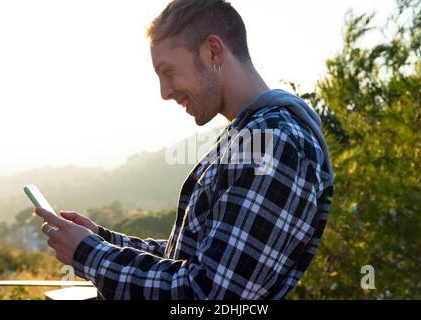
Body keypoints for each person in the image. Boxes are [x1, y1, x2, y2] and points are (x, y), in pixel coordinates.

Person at [36, 0, 334, 299]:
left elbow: (208, 295)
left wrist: (91, 255)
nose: (164, 92)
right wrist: (102, 239)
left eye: (168, 71)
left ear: (213, 52)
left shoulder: (274, 144)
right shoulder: (248, 135)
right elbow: (188, 258)